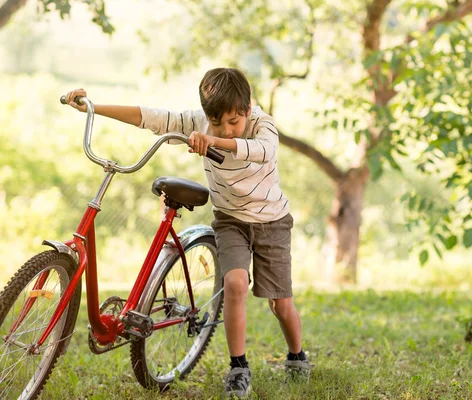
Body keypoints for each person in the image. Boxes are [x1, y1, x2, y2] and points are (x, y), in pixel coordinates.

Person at [64, 67, 309, 398]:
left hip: (272, 222)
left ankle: (297, 356)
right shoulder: (200, 123)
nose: (225, 128)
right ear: (206, 114)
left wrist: (215, 140)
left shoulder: (262, 124)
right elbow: (152, 117)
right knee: (235, 283)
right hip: (231, 220)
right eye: (215, 122)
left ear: (248, 108)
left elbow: (261, 151)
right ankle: (239, 367)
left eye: (233, 122)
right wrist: (93, 106)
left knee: (280, 305)